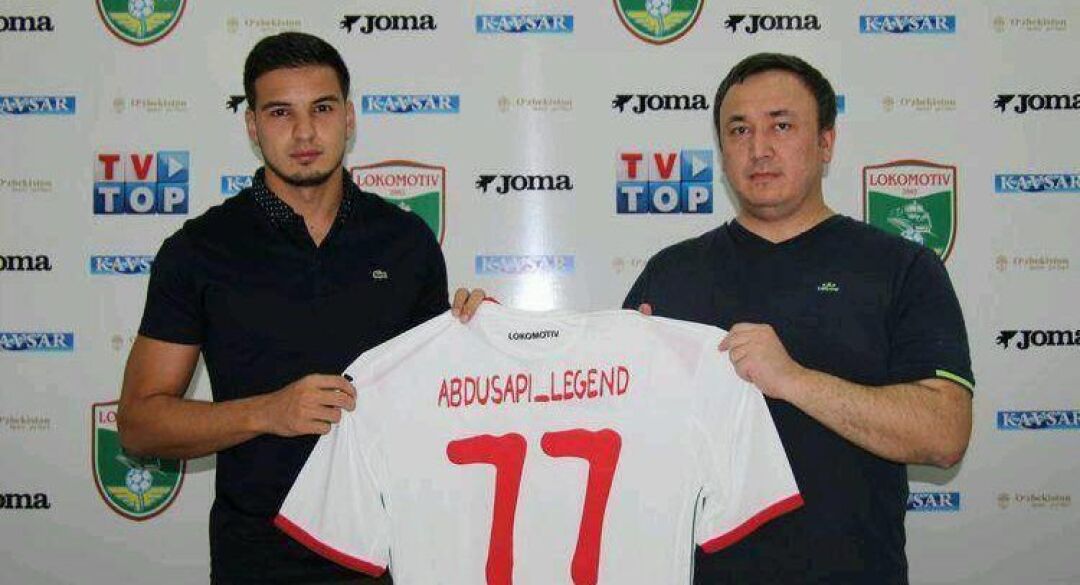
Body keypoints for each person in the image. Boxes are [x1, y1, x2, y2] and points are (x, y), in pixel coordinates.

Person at [116, 32, 481, 584]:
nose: (305, 132)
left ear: (349, 118)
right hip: (258, 561)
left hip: (391, 559)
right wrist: (268, 412)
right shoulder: (199, 250)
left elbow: (436, 405)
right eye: (281, 112)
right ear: (252, 125)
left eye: (323, 108)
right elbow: (140, 424)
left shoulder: (405, 242)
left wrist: (474, 340)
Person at [622, 53, 974, 584]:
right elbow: (612, 436)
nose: (759, 148)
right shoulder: (671, 274)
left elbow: (945, 434)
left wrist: (792, 379)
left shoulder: (900, 267)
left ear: (826, 143)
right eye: (739, 130)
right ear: (722, 150)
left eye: (781, 126)